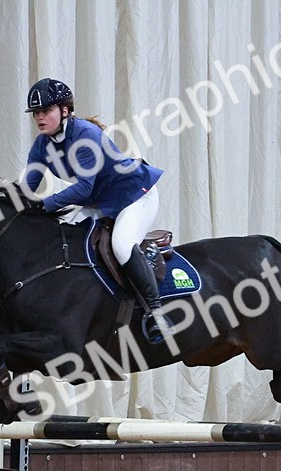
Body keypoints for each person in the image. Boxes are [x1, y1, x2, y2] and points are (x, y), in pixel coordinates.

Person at [21, 78, 174, 341]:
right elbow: (26, 188)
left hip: (135, 196)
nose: (40, 118)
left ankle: (157, 314)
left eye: (46, 111)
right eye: (36, 113)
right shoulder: (42, 145)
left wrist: (44, 205)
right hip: (101, 203)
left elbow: (83, 189)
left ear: (65, 110)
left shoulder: (86, 135)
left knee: (122, 246)